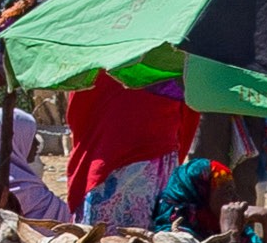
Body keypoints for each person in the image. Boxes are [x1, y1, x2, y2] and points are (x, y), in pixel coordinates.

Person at [63, 73, 194, 229]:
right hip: (151, 157)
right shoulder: (167, 58)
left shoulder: (94, 56)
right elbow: (189, 108)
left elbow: (80, 111)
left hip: (108, 155)